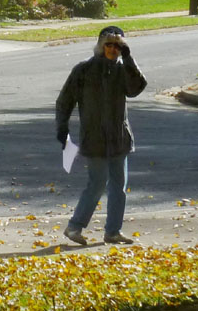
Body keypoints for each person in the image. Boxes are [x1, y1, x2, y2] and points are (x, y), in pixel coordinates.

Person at [55, 25, 147, 245]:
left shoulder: (122, 70)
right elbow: (65, 100)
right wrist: (62, 127)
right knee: (97, 183)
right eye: (109, 45)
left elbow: (137, 87)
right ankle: (74, 228)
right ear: (100, 46)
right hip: (94, 138)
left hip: (119, 138)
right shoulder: (84, 70)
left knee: (119, 186)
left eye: (118, 46)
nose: (113, 49)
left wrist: (129, 58)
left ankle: (113, 231)